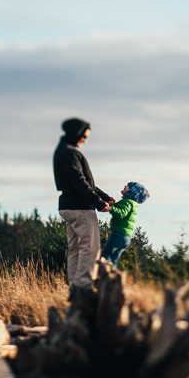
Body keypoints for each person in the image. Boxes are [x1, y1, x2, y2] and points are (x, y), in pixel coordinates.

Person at [53, 117, 115, 287]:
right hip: (80, 208)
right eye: (84, 136)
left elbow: (84, 183)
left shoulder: (62, 151)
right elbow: (80, 183)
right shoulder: (71, 153)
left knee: (75, 250)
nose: (85, 140)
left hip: (67, 207)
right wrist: (99, 203)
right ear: (76, 134)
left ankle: (74, 286)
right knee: (90, 248)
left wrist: (104, 197)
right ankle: (84, 287)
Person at [101, 182, 150, 265]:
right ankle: (112, 274)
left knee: (106, 254)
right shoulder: (132, 203)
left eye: (128, 186)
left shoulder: (127, 202)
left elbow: (121, 213)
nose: (125, 186)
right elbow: (123, 210)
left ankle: (104, 272)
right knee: (113, 259)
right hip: (126, 237)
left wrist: (110, 209)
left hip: (118, 233)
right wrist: (114, 205)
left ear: (133, 191)